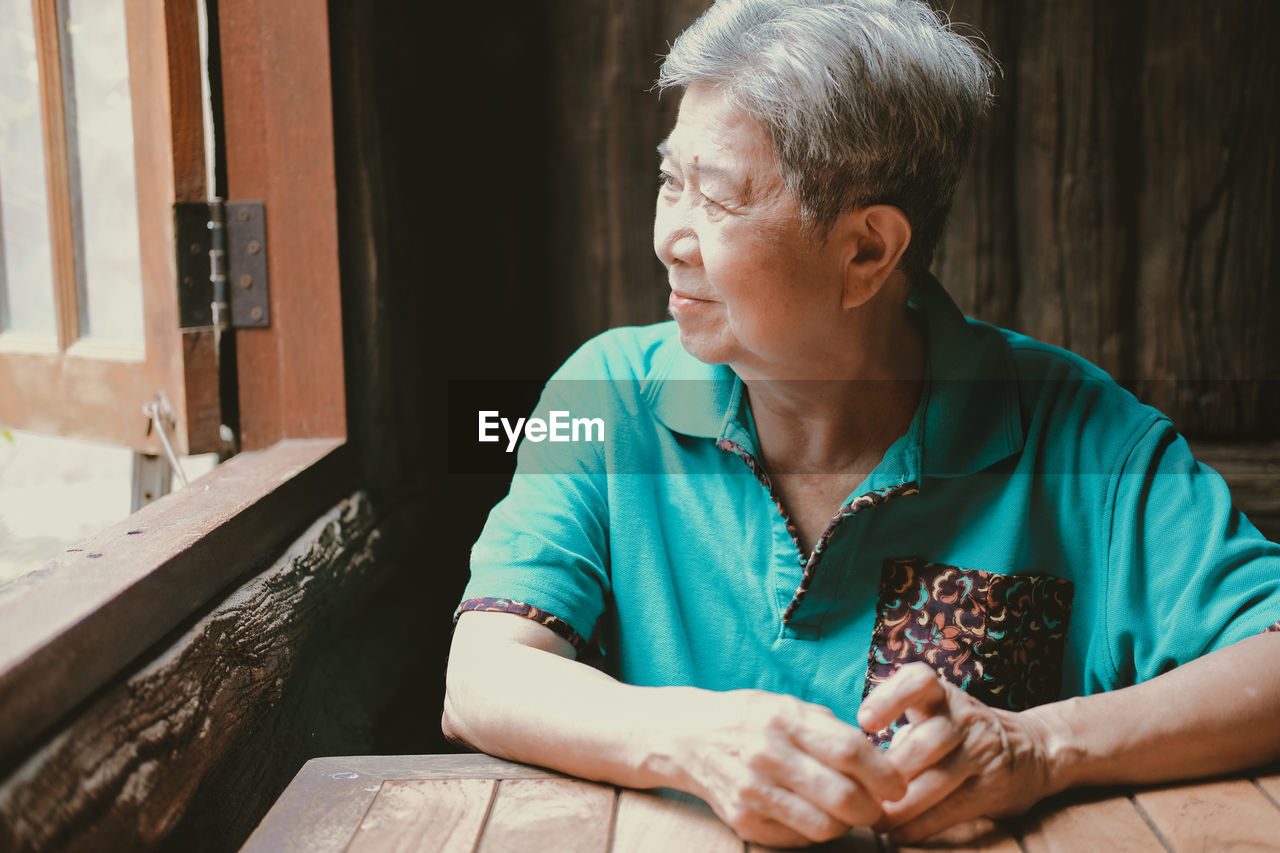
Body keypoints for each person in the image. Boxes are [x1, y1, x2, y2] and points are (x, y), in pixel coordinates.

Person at [443, 0, 1280, 846]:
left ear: (868, 252)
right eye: (669, 181)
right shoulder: (603, 396)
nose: (669, 237)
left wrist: (1039, 744)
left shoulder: (1080, 433)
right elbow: (481, 675)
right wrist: (693, 740)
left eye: (718, 197)